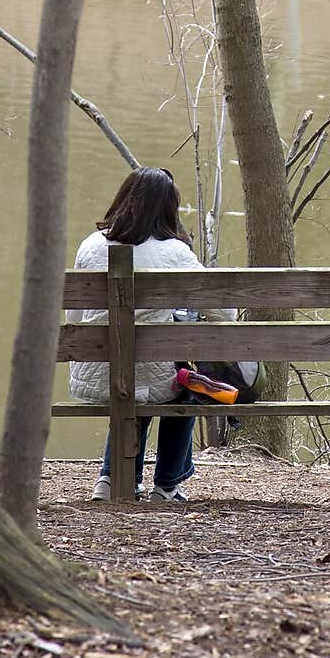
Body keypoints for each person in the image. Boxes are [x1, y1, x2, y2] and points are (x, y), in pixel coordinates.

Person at [67, 166, 237, 502]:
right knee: (184, 385)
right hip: (144, 378)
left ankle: (112, 478)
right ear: (168, 210)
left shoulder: (90, 246)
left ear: (123, 199)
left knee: (135, 379)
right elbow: (226, 313)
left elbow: (75, 318)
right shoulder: (175, 253)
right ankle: (167, 485)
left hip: (94, 375)